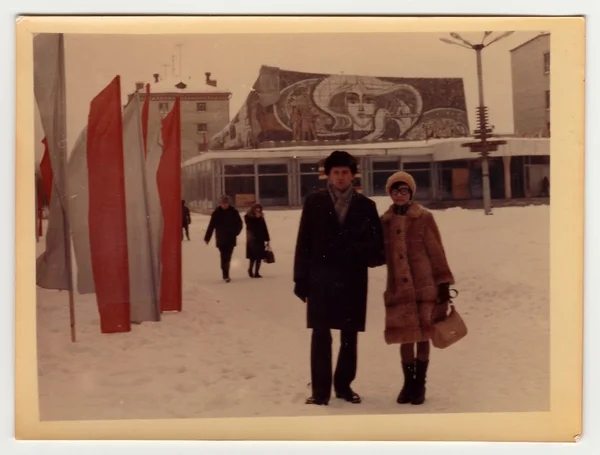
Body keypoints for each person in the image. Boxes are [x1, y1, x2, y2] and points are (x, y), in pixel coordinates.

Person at [293, 150, 385, 406]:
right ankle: (320, 392)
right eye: (336, 172)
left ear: (353, 175)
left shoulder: (367, 206)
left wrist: (358, 250)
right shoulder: (314, 202)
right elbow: (304, 242)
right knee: (320, 335)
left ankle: (344, 386)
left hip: (352, 279)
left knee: (349, 335)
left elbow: (378, 246)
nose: (341, 177)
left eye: (345, 172)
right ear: (328, 175)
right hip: (320, 279)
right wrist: (300, 278)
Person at [379, 171, 455, 405]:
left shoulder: (423, 218)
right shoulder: (385, 222)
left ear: (410, 192)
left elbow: (436, 251)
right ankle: (407, 383)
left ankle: (419, 384)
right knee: (404, 338)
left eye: (404, 190)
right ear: (390, 194)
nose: (399, 195)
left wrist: (443, 283)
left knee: (423, 337)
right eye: (395, 190)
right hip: (398, 290)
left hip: (425, 286)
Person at [204, 195, 243, 283]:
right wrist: (207, 237)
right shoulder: (216, 213)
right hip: (221, 238)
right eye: (223, 203)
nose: (225, 205)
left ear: (229, 203)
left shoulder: (234, 212)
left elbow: (240, 223)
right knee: (224, 256)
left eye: (226, 203)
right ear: (220, 203)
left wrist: (236, 232)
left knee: (228, 256)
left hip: (231, 238)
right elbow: (211, 226)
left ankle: (226, 273)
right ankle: (225, 274)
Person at [244, 203, 271, 278]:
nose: (258, 210)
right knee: (253, 256)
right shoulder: (248, 217)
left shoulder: (261, 217)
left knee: (259, 256)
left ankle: (257, 272)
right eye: (256, 209)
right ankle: (250, 270)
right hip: (252, 239)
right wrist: (256, 218)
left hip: (260, 238)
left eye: (259, 209)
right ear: (253, 209)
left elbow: (264, 228)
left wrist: (267, 238)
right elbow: (249, 226)